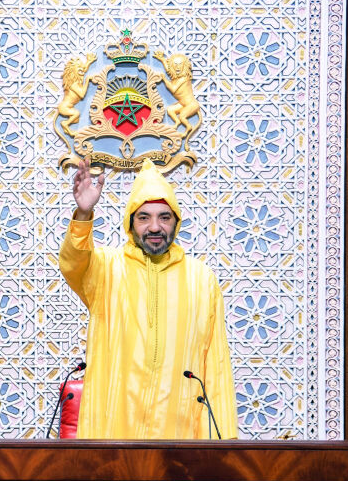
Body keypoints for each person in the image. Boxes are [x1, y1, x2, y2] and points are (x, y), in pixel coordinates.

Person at [59, 159, 238, 439]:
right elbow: (73, 264)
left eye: (164, 217)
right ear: (131, 223)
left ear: (176, 223)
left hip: (180, 435)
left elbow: (215, 365)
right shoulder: (106, 269)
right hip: (113, 429)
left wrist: (222, 442)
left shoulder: (201, 279)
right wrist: (84, 214)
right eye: (144, 217)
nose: (155, 227)